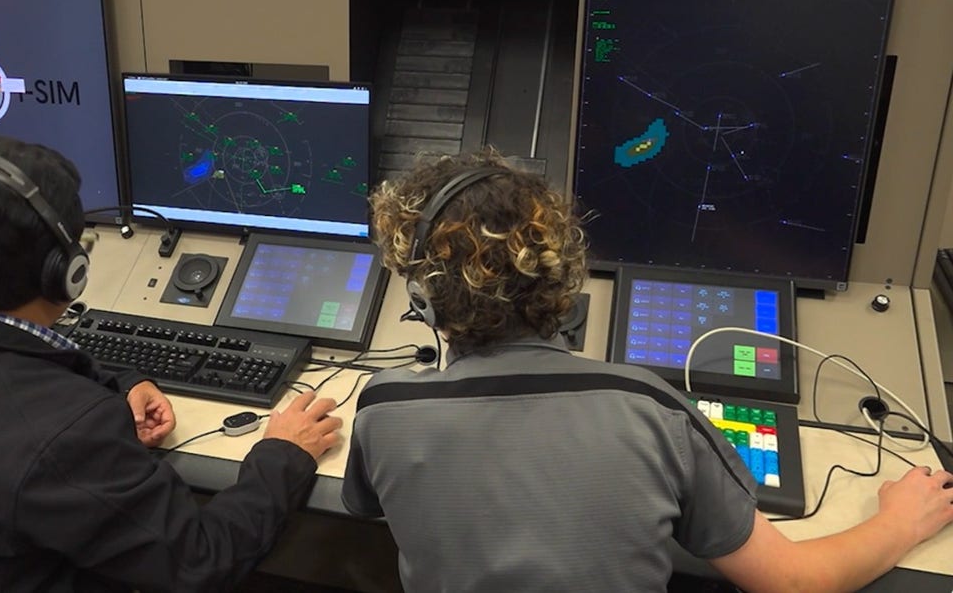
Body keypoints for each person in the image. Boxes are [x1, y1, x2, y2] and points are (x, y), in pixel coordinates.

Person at [341, 148, 953, 592]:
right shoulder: (649, 407)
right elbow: (792, 581)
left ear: (422, 300)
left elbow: (373, 507)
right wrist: (900, 520)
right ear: (565, 275)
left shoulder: (382, 407)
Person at [0, 136, 343, 592]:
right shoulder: (64, 434)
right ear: (65, 271)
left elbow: (14, 369)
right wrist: (281, 453)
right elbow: (199, 560)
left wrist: (120, 383)